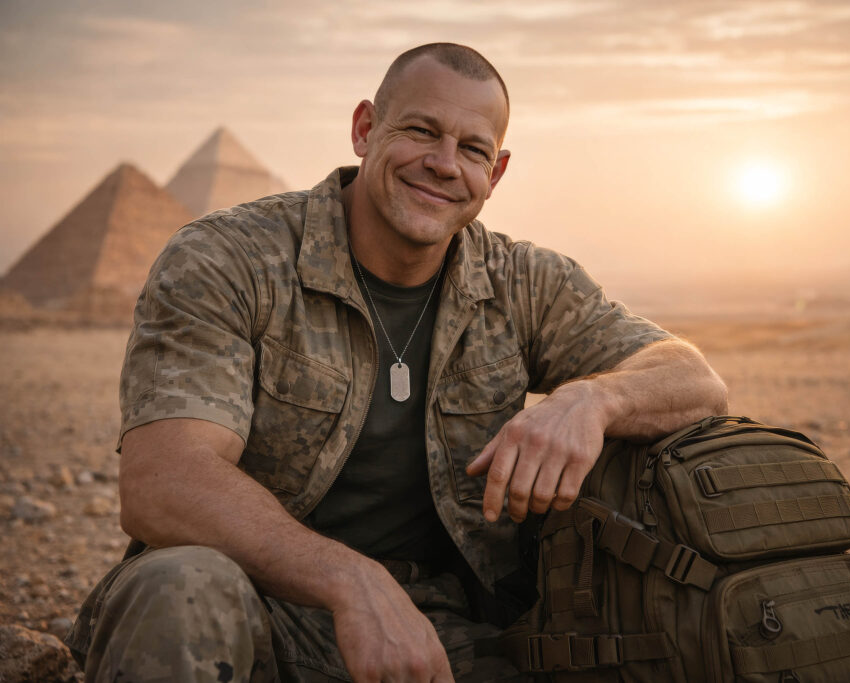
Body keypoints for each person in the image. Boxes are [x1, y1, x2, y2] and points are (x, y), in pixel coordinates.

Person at [66, 43, 728, 683]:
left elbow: (694, 378)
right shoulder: (231, 259)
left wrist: (590, 401)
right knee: (181, 584)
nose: (444, 164)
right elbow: (164, 480)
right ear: (364, 129)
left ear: (493, 175)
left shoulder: (521, 282)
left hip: (448, 627)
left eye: (471, 149)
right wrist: (351, 579)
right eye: (422, 131)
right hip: (251, 601)